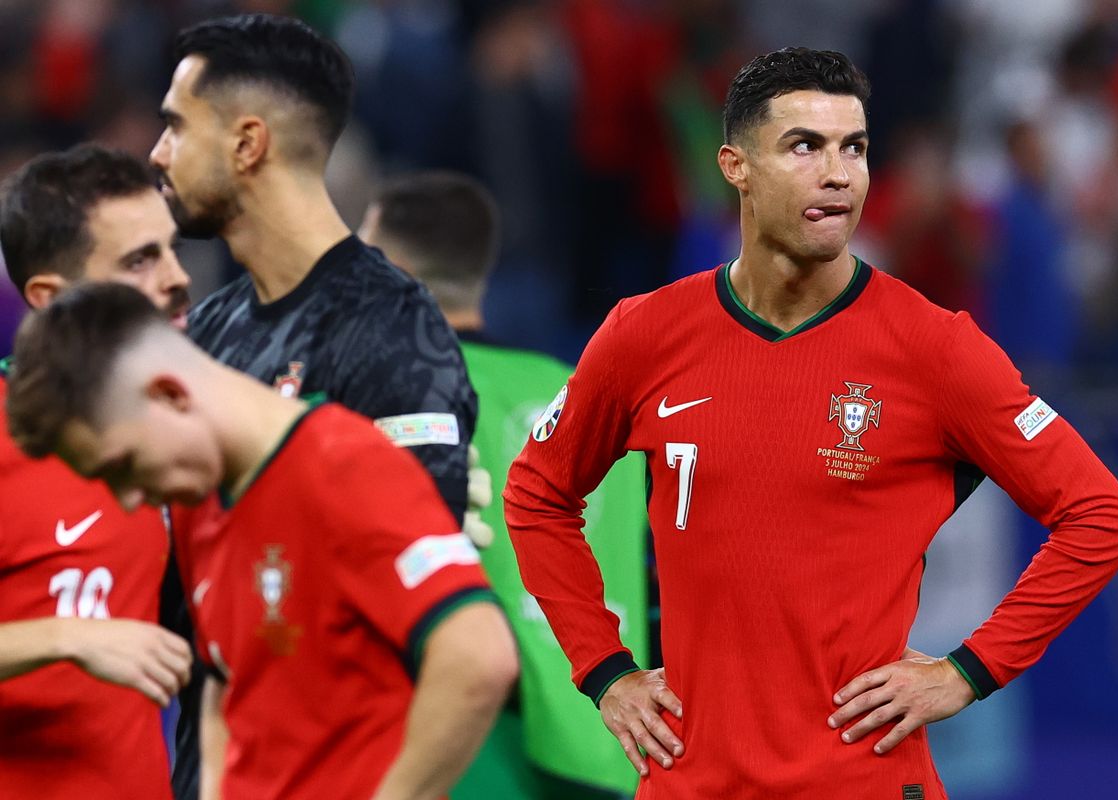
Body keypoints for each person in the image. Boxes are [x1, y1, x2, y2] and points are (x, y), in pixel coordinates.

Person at [503, 47, 1118, 798]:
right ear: (736, 166)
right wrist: (604, 671)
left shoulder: (935, 348)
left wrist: (969, 670)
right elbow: (538, 496)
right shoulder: (643, 335)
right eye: (805, 146)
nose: (839, 173)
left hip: (860, 783)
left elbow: (1101, 516)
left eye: (856, 148)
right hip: (688, 782)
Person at [6, 282, 519, 800]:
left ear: (170, 395)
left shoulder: (342, 467)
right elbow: (227, 682)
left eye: (123, 467)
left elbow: (479, 656)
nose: (128, 500)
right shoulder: (198, 503)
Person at [148, 15, 480, 797]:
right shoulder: (210, 332)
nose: (158, 154)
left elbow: (418, 606)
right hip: (215, 769)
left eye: (174, 126)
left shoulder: (393, 326)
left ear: (248, 143)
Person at [361, 172, 649, 799]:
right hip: (608, 748)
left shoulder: (382, 397)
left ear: (393, 268)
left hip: (456, 753)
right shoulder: (592, 396)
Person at [0, 144, 193, 799]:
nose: (175, 278)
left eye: (171, 248)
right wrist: (64, 636)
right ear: (50, 298)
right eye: (140, 260)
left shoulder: (182, 430)